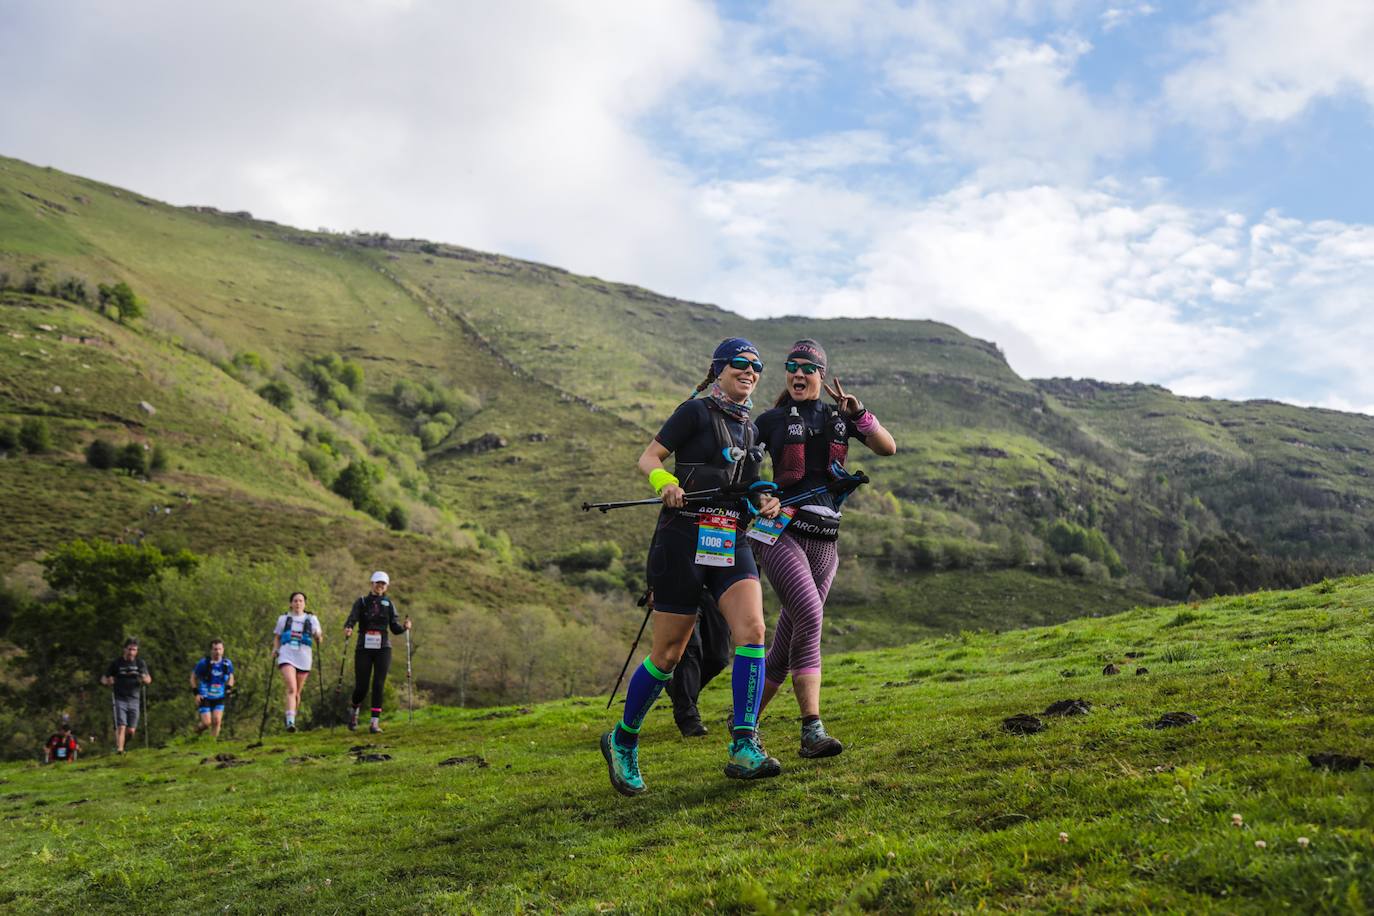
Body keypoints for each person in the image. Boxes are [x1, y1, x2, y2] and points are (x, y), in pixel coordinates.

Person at [600, 337, 784, 797]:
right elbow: (649, 458)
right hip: (681, 538)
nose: (750, 370)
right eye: (740, 363)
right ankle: (623, 740)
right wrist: (665, 482)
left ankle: (744, 745)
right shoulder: (695, 411)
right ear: (719, 368)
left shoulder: (752, 430)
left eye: (757, 366)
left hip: (731, 538)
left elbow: (754, 484)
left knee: (754, 631)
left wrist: (766, 499)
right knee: (668, 655)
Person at [752, 339, 896, 757]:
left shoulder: (840, 417)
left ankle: (744, 718)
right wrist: (760, 496)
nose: (798, 374)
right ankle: (811, 729)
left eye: (807, 369)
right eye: (791, 367)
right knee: (811, 616)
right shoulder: (770, 420)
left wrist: (859, 415)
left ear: (821, 375)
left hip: (826, 541)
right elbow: (745, 469)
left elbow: (887, 447)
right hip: (781, 533)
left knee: (791, 636)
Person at [344, 571, 411, 733]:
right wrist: (349, 627)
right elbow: (352, 618)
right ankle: (354, 712)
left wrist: (404, 627)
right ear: (372, 583)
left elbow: (394, 628)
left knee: (378, 684)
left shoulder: (389, 604)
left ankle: (374, 723)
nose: (380, 586)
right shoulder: (361, 601)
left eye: (383, 584)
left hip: (383, 647)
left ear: (386, 586)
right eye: (377, 583)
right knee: (362, 686)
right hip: (364, 647)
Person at [664, 589, 732, 737]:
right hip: (682, 587)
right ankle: (688, 718)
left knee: (719, 658)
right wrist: (652, 587)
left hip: (716, 590)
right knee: (690, 650)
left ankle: (677, 689)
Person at [273, 592, 323, 733]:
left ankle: (292, 715)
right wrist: (275, 649)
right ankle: (290, 722)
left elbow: (319, 637)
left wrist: (318, 637)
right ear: (291, 603)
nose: (298, 603)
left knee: (297, 693)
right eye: (295, 601)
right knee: (291, 688)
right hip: (286, 655)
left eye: (300, 601)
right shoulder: (284, 619)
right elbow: (277, 637)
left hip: (304, 657)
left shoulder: (312, 619)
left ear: (304, 603)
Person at [101, 637, 151, 754]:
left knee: (131, 731)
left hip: (134, 698)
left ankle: (123, 744)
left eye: (134, 650)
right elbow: (103, 679)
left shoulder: (140, 663)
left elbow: (149, 679)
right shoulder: (116, 663)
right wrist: (109, 681)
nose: (131, 652)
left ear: (137, 651)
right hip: (120, 698)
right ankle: (120, 750)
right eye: (129, 649)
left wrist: (144, 678)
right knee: (121, 725)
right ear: (124, 649)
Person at [191, 639, 236, 738]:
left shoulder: (227, 663)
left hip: (219, 695)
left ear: (223, 650)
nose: (217, 652)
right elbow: (193, 677)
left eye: (219, 649)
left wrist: (229, 688)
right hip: (205, 695)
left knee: (217, 720)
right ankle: (195, 732)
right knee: (206, 723)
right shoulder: (203, 663)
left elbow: (231, 676)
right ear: (211, 651)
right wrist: (196, 693)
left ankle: (211, 743)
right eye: (215, 649)